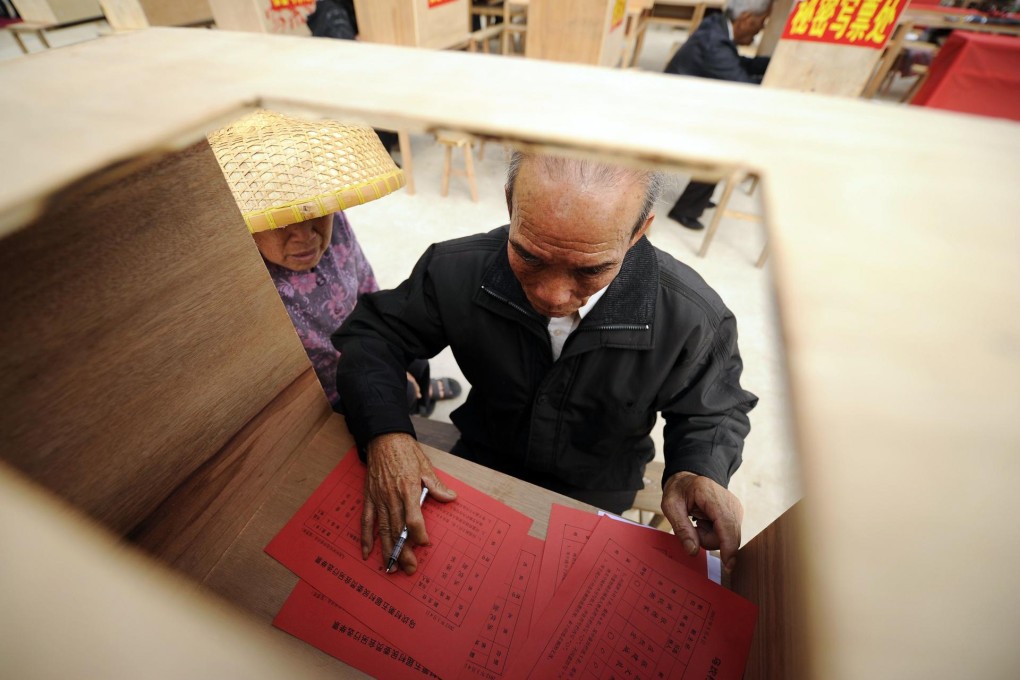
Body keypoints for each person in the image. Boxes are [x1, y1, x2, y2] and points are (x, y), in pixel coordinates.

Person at [333, 152, 758, 576]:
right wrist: (386, 432)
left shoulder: (691, 316)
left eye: (590, 269)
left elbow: (714, 406)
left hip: (597, 484)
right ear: (510, 204)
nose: (554, 296)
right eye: (530, 256)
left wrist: (697, 468)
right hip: (483, 454)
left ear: (639, 231)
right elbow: (375, 335)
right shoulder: (456, 269)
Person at [208, 110, 460, 416]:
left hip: (364, 342)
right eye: (280, 222)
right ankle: (416, 400)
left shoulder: (336, 222)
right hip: (330, 391)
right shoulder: (248, 283)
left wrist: (386, 346)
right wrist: (380, 371)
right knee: (402, 392)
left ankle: (423, 396)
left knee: (417, 358)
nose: (305, 235)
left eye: (313, 211)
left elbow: (368, 287)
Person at [664, 0, 773, 230]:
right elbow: (744, 87)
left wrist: (769, 66)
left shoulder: (717, 26)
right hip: (673, 113)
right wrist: (774, 82)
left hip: (682, 102)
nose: (761, 29)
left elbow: (737, 64)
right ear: (745, 19)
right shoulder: (715, 43)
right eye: (761, 22)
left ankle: (693, 201)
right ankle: (685, 210)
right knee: (726, 141)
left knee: (728, 129)